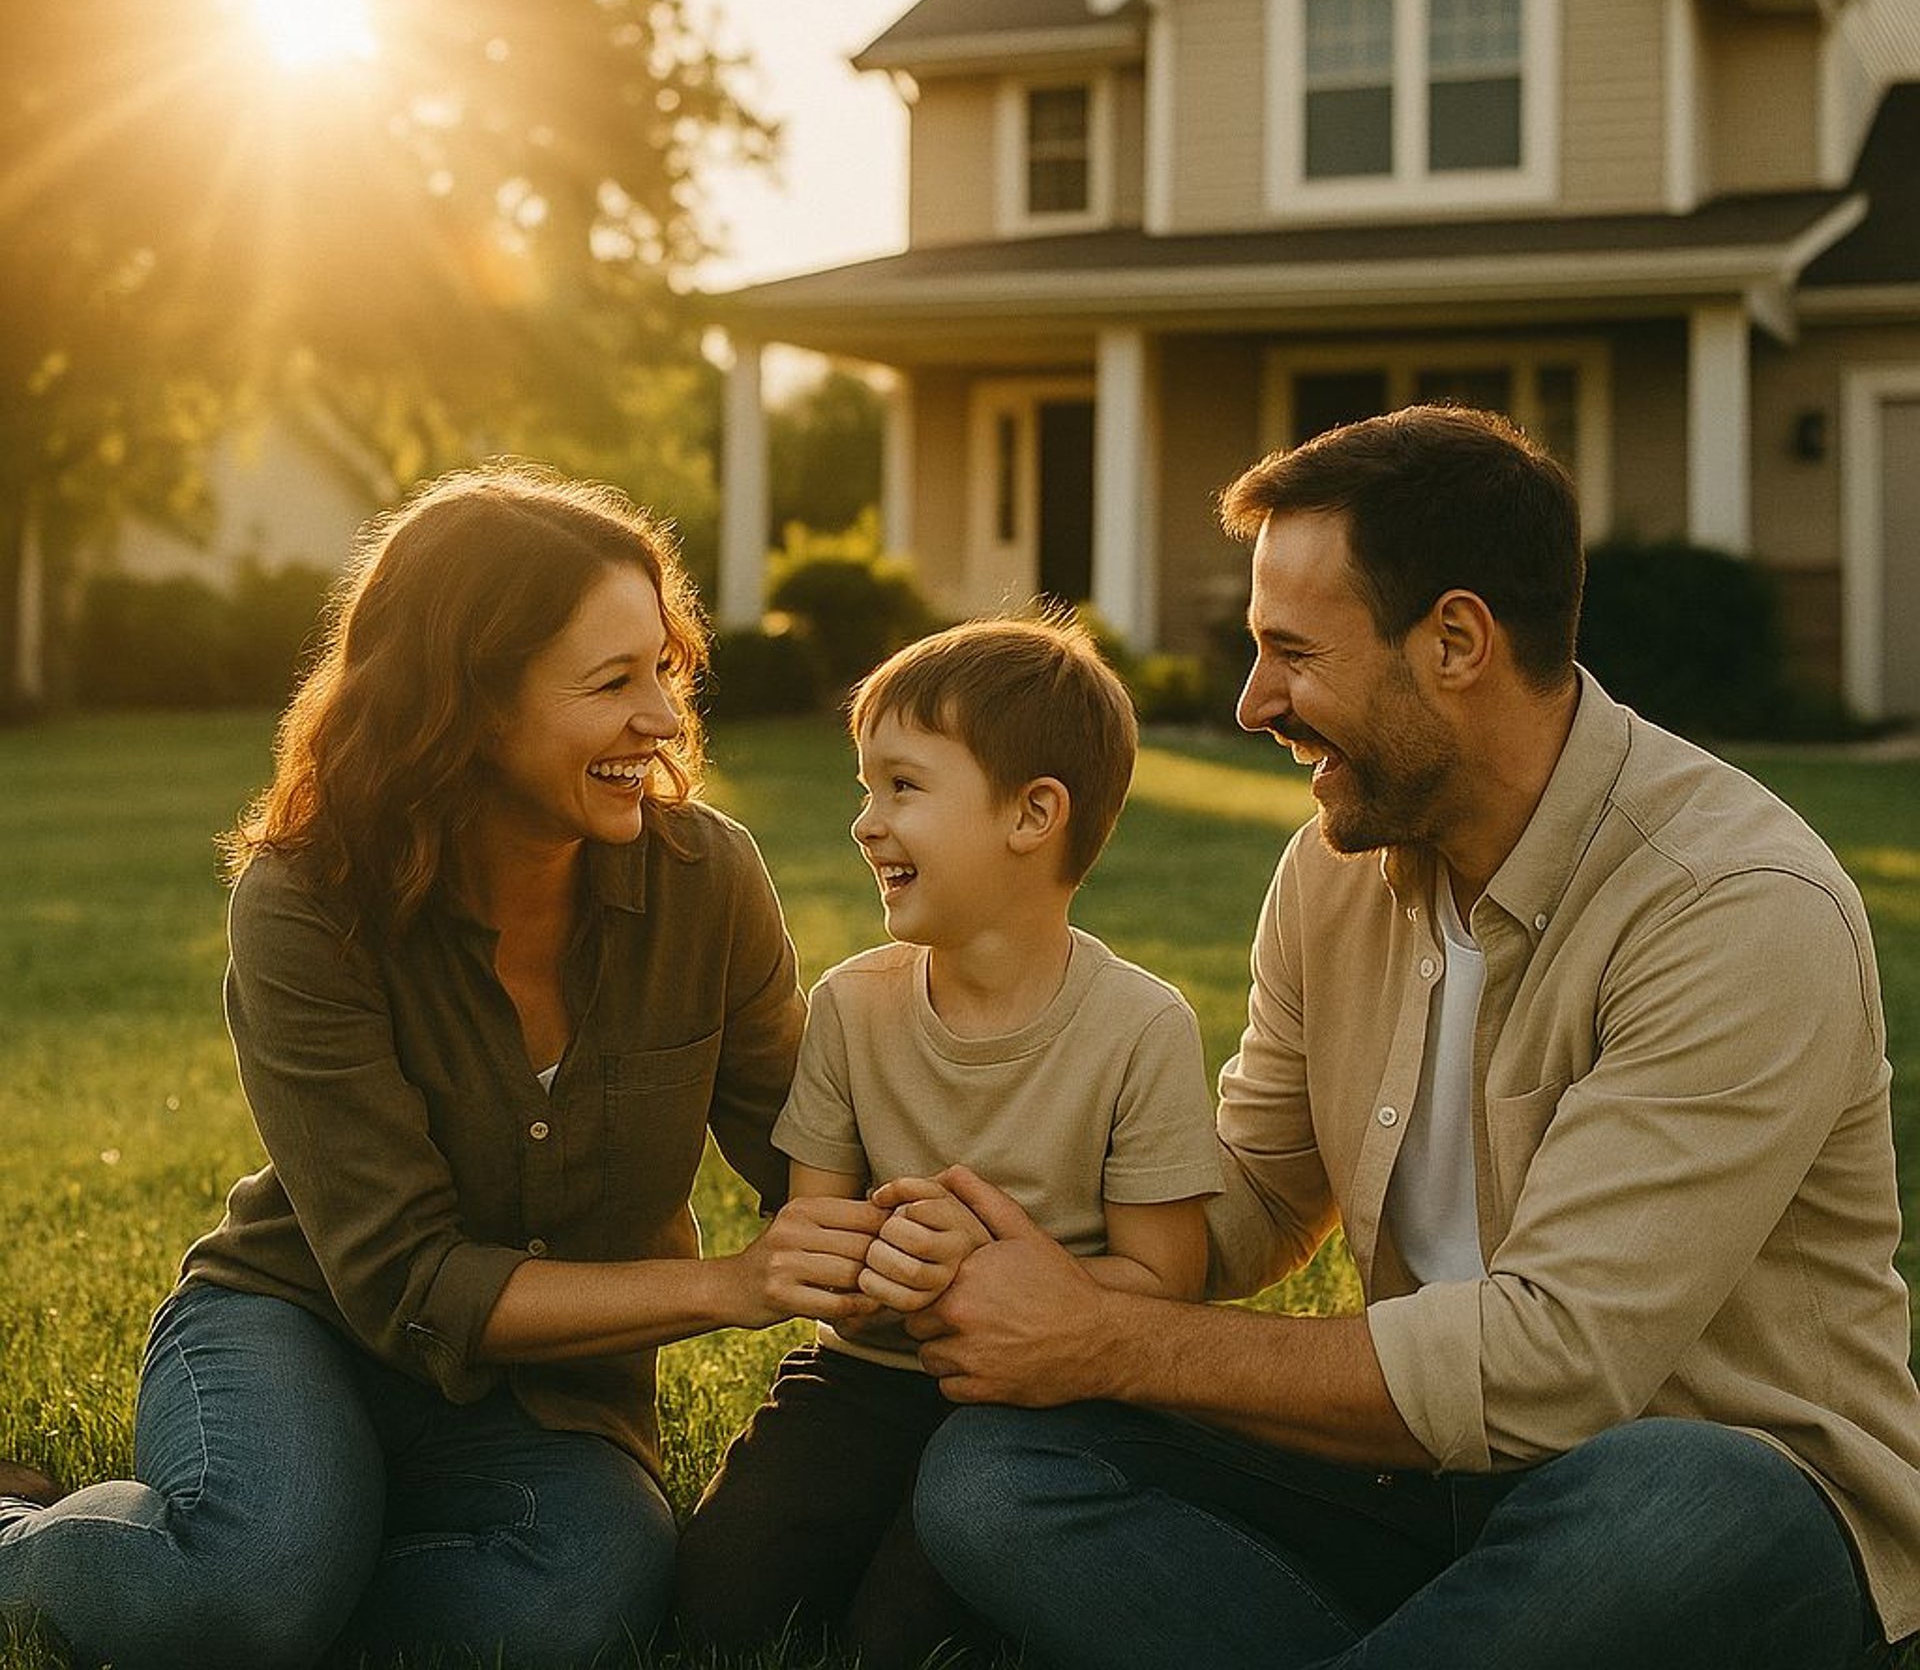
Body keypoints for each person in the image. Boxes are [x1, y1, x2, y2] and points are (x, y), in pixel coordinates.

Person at [905, 407, 1920, 1669]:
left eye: (1292, 652)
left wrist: (1107, 1338)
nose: (1251, 700)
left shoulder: (1734, 907)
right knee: (1004, 1471)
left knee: (1682, 1502)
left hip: (1715, 1498)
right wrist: (1000, 1232)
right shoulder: (1336, 873)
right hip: (1421, 1478)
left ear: (1454, 640)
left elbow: (1555, 1364)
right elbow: (1258, 1196)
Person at [0, 464, 888, 1670]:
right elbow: (408, 1278)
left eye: (664, 670)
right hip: (300, 1329)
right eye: (612, 682)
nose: (666, 721)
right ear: (467, 705)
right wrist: (735, 1287)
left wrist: (935, 1226)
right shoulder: (305, 903)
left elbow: (805, 1150)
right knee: (246, 1596)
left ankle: (295, 1570)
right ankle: (27, 1531)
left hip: (554, 1397)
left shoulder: (706, 880)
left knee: (579, 1608)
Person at [671, 616, 1224, 1668]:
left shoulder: (1140, 1026)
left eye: (903, 788)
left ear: (1034, 814)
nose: (864, 823)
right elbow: (814, 1235)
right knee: (718, 1605)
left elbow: (1169, 1281)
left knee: (907, 1640)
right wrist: (874, 1261)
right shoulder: (851, 1007)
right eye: (864, 787)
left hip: (1045, 1400)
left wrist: (986, 1271)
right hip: (867, 1376)